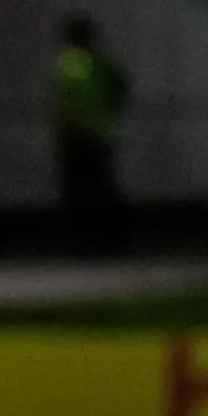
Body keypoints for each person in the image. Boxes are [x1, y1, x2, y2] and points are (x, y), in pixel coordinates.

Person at [54, 14, 128, 249]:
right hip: (97, 134)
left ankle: (88, 240)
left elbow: (64, 101)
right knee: (99, 190)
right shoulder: (99, 63)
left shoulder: (70, 63)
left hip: (80, 135)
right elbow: (121, 87)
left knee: (83, 192)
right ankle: (104, 240)